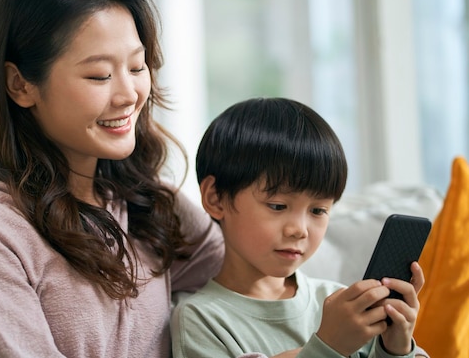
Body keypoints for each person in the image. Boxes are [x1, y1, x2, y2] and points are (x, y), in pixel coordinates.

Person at [0, 0, 224, 358]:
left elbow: (251, 276)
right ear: (20, 84)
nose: (129, 94)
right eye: (99, 75)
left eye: (137, 67)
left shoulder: (146, 205)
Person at [171, 97, 429, 358]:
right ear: (215, 198)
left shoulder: (337, 301)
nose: (299, 230)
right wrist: (330, 346)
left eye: (318, 211)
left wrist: (396, 348)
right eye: (278, 206)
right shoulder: (200, 320)